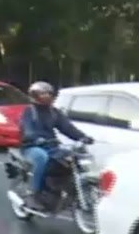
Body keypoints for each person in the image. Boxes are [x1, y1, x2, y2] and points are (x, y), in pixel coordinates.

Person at [19, 81, 93, 210]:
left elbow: (68, 128)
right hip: (31, 146)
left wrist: (83, 137)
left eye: (49, 93)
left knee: (71, 158)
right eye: (43, 93)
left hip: (51, 144)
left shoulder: (54, 112)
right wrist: (35, 138)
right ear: (34, 95)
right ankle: (35, 195)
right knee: (41, 158)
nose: (47, 96)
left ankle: (60, 189)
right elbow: (27, 129)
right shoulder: (29, 111)